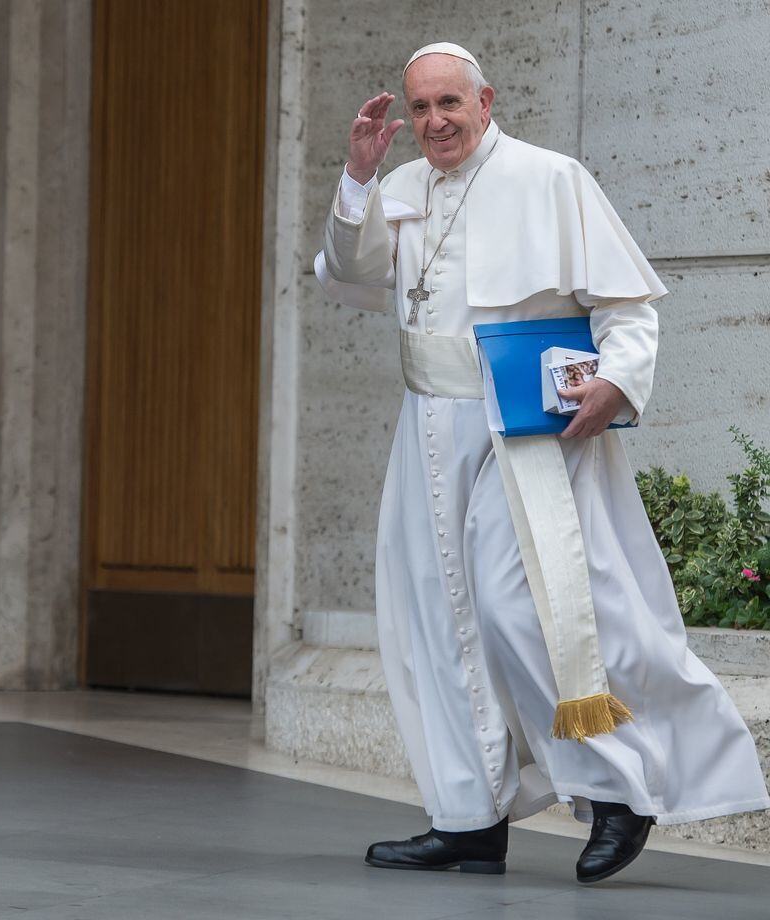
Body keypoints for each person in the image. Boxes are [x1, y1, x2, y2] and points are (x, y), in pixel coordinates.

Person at [315, 41, 770, 884]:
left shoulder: (550, 178)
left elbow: (627, 307)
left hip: (523, 434)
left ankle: (617, 791)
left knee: (512, 604)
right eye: (420, 108)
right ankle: (468, 819)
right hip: (426, 430)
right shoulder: (401, 185)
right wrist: (358, 174)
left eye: (450, 103)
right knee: (438, 618)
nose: (435, 122)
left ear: (486, 100)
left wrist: (618, 382)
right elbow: (347, 273)